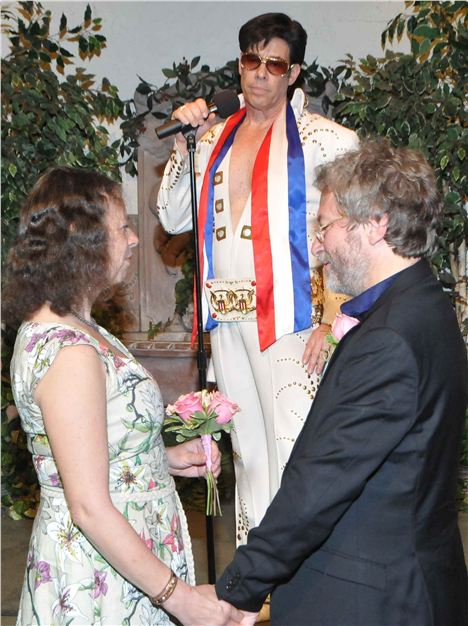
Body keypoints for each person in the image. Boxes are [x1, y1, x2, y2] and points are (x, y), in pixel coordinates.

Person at [212, 140, 468, 625]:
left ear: (375, 225)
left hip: (372, 600)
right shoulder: (427, 307)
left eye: (326, 225)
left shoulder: (389, 338)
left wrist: (242, 586)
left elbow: (322, 483)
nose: (317, 244)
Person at [2, 167, 243, 626]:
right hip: (100, 582)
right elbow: (89, 507)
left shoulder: (77, 327)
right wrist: (180, 599)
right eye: (123, 227)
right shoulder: (69, 349)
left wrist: (160, 457)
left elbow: (88, 447)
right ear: (82, 240)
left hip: (116, 567)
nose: (134, 240)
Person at [156, 12, 358, 544]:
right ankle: (260, 579)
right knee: (247, 452)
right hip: (227, 316)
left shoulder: (327, 140)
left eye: (274, 63)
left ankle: (305, 577)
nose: (260, 73)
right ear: (240, 64)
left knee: (292, 448)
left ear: (293, 74)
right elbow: (173, 219)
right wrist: (185, 146)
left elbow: (360, 234)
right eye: (251, 60)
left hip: (293, 319)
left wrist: (337, 318)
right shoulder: (214, 138)